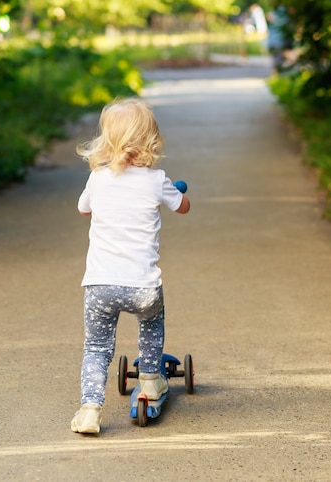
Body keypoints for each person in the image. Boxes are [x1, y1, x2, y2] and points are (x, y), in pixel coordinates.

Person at [71, 97, 191, 434]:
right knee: (151, 327)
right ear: (151, 141)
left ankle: (91, 409)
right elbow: (183, 207)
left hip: (100, 286)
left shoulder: (98, 178)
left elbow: (84, 209)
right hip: (143, 287)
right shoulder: (157, 180)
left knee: (96, 346)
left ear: (107, 141)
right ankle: (152, 381)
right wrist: (177, 191)